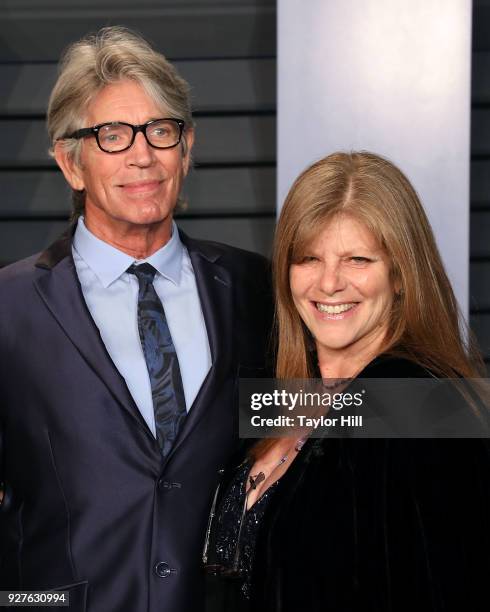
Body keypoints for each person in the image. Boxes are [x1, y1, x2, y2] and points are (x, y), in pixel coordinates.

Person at [0, 26, 272, 612]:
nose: (143, 155)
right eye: (112, 136)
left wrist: (305, 428)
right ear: (70, 163)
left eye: (161, 131)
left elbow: (382, 408)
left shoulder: (257, 289)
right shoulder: (9, 307)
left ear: (187, 147)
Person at [203, 152, 490, 611]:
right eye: (308, 258)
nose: (329, 283)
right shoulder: (285, 402)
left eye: (357, 259)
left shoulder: (424, 404)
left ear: (400, 274)